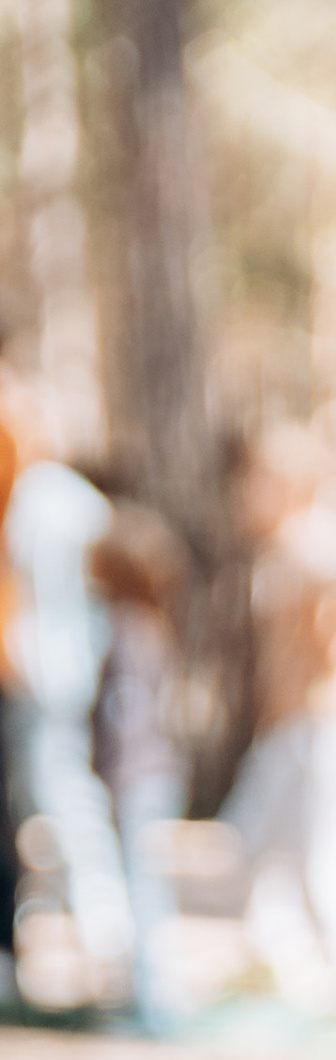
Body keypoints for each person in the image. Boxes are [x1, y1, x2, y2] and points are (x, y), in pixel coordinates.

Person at [220, 424, 336, 1018]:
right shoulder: (282, 547)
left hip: (332, 723)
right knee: (257, 843)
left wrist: (331, 638)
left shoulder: (308, 538)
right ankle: (277, 966)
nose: (247, 494)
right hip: (295, 726)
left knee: (330, 860)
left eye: (259, 482)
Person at [0, 373, 131, 999]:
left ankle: (106, 943)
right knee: (53, 805)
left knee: (62, 803)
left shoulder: (39, 500)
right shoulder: (73, 499)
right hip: (65, 673)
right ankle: (100, 943)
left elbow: (24, 596)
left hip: (43, 679)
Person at [90, 504, 192, 1035]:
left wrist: (110, 770)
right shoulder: (154, 627)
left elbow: (124, 714)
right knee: (143, 884)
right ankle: (146, 997)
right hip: (155, 774)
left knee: (143, 886)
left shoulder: (125, 630)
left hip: (138, 777)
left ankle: (155, 1006)